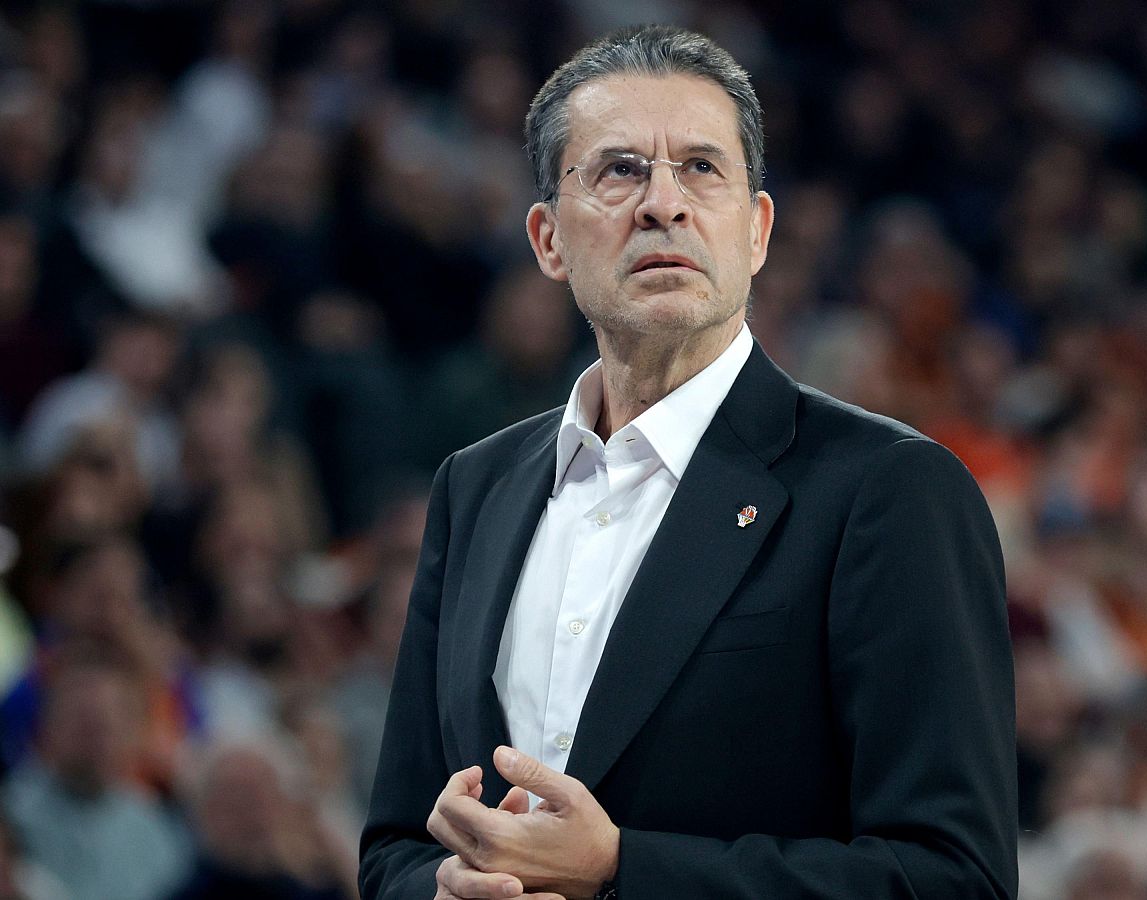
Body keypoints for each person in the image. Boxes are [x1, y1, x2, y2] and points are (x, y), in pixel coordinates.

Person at [359, 25, 1017, 900]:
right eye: (619, 170)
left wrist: (620, 871)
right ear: (548, 240)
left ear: (757, 231)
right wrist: (441, 891)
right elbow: (395, 847)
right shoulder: (475, 487)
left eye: (701, 168)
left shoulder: (890, 489)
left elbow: (955, 879)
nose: (662, 204)